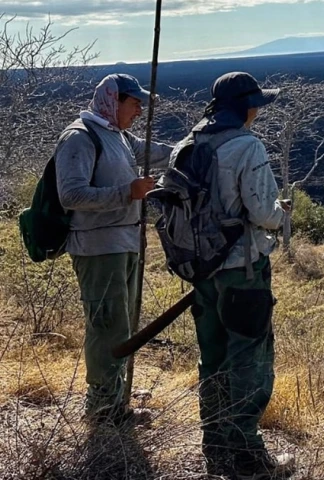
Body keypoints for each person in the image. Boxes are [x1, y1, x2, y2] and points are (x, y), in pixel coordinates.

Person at [174, 71, 294, 480]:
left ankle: (217, 448)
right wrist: (283, 217)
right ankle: (247, 456)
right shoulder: (246, 146)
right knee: (250, 358)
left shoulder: (186, 144)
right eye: (256, 103)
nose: (259, 110)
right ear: (245, 106)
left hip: (201, 268)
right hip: (242, 268)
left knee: (214, 356)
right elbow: (262, 212)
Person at [55, 74, 174, 425]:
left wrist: (196, 147)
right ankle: (103, 409)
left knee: (121, 326)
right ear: (114, 100)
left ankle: (115, 399)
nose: (139, 111)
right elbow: (71, 195)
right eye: (135, 103)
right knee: (106, 325)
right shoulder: (79, 137)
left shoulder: (119, 135)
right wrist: (128, 192)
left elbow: (159, 152)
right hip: (97, 247)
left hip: (124, 243)